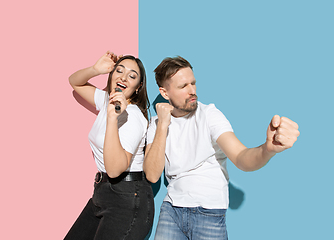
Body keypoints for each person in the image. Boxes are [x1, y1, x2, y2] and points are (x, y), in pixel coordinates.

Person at [143, 56, 300, 240]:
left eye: (193, 83)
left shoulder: (209, 115)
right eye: (183, 86)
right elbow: (152, 175)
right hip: (171, 211)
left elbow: (241, 156)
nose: (192, 91)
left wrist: (267, 149)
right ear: (165, 92)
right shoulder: (155, 124)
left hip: (208, 211)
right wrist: (163, 124)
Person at [64, 51, 154, 240]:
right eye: (119, 71)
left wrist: (113, 118)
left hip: (128, 198)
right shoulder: (106, 99)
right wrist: (95, 69)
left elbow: (114, 170)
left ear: (138, 87)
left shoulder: (134, 118)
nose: (123, 77)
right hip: (103, 193)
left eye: (132, 76)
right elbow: (74, 81)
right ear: (111, 75)